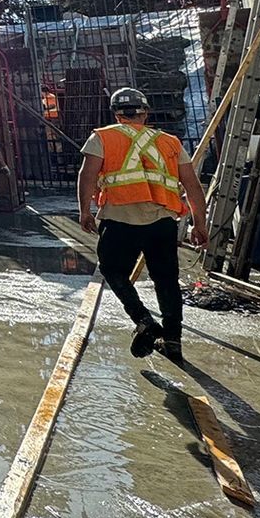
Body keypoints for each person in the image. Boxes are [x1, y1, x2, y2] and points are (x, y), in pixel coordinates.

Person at [77, 87, 210, 363]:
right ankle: (172, 341)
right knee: (166, 281)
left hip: (119, 219)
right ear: (145, 112)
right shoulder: (170, 142)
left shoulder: (102, 137)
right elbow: (193, 186)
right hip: (162, 222)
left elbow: (87, 175)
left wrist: (85, 211)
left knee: (112, 270)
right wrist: (200, 224)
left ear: (115, 113)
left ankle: (143, 320)